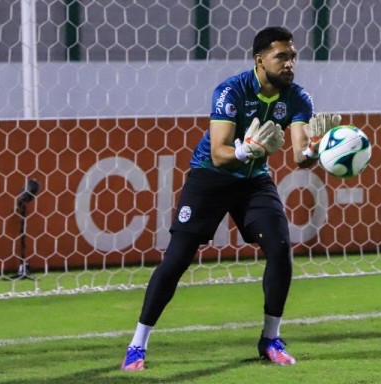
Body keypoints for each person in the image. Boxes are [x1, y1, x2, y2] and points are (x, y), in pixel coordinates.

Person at [121, 26, 341, 371]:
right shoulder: (231, 91)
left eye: (292, 56)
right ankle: (137, 344)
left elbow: (300, 156)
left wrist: (317, 149)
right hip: (211, 177)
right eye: (281, 56)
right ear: (260, 59)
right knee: (176, 260)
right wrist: (246, 149)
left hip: (254, 181)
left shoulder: (298, 98)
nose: (289, 64)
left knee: (281, 250)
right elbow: (221, 152)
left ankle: (271, 339)